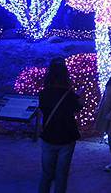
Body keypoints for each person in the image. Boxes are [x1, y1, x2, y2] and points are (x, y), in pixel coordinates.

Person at [38, 57, 83, 193]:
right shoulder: (70, 95)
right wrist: (78, 96)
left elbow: (43, 109)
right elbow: (77, 107)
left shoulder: (43, 94)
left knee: (46, 175)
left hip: (49, 137)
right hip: (66, 137)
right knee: (61, 176)